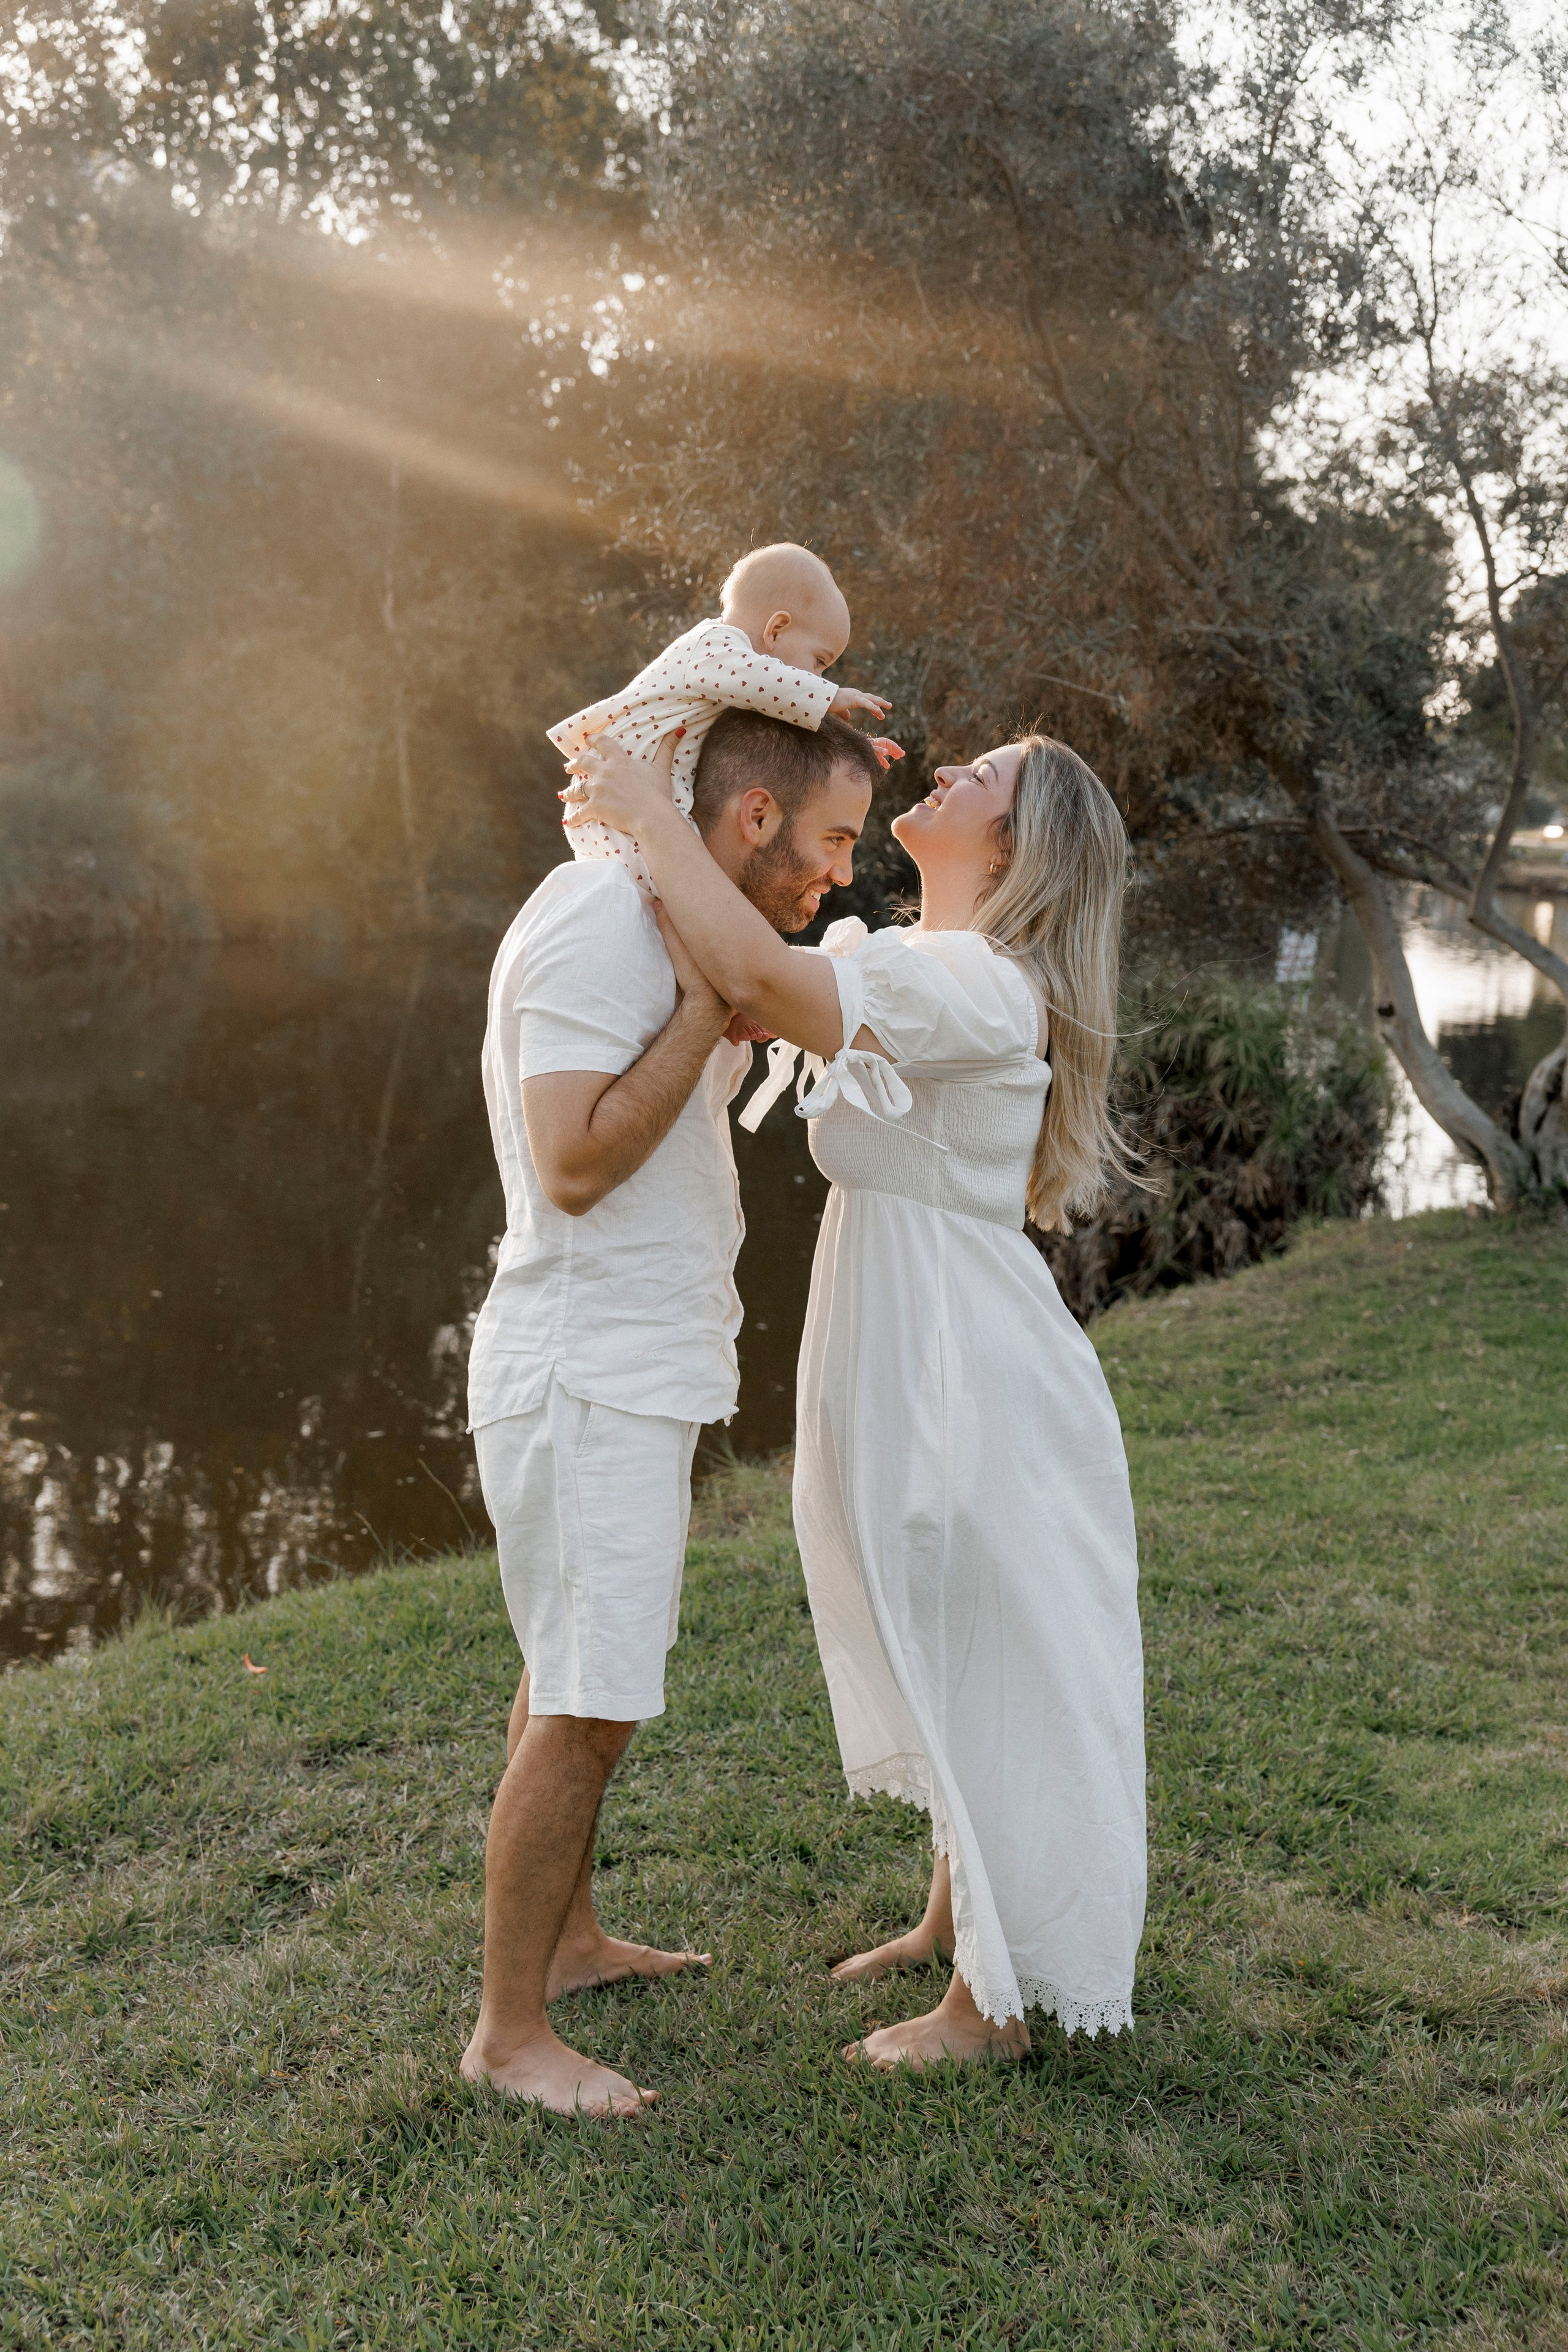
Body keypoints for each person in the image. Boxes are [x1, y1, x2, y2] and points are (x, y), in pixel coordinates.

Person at [564, 730, 1147, 2069]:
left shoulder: (971, 983)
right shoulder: (908, 962)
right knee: (940, 1615)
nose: (944, 779)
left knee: (978, 1633)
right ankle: (960, 1923)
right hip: (908, 1325)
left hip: (964, 1356)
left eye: (980, 780)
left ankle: (987, 2014)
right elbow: (755, 983)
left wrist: (652, 812)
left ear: (1009, 848)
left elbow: (761, 974)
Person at [461, 707, 883, 2116]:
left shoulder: (657, 910)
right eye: (828, 841)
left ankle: (569, 1945)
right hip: (582, 1364)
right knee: (587, 1701)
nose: (837, 878)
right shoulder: (600, 921)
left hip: (622, 1361)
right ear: (751, 816)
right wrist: (710, 1006)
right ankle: (510, 2033)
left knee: (566, 1668)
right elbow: (574, 1160)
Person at [547, 541, 900, 889]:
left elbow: (781, 708)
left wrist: (858, 750)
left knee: (682, 888)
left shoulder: (732, 671)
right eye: (820, 662)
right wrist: (831, 697)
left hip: (625, 799)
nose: (819, 678)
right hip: (615, 797)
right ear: (775, 629)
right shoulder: (713, 646)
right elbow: (770, 685)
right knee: (686, 892)